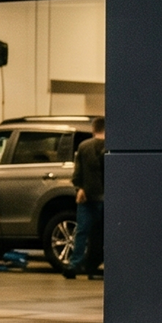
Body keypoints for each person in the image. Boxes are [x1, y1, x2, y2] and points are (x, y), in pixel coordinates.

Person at [66, 116, 105, 280]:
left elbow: (77, 174)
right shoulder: (112, 148)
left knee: (82, 232)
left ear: (93, 129)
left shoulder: (83, 147)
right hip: (108, 199)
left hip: (86, 197)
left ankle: (74, 265)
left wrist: (79, 188)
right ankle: (94, 266)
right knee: (104, 235)